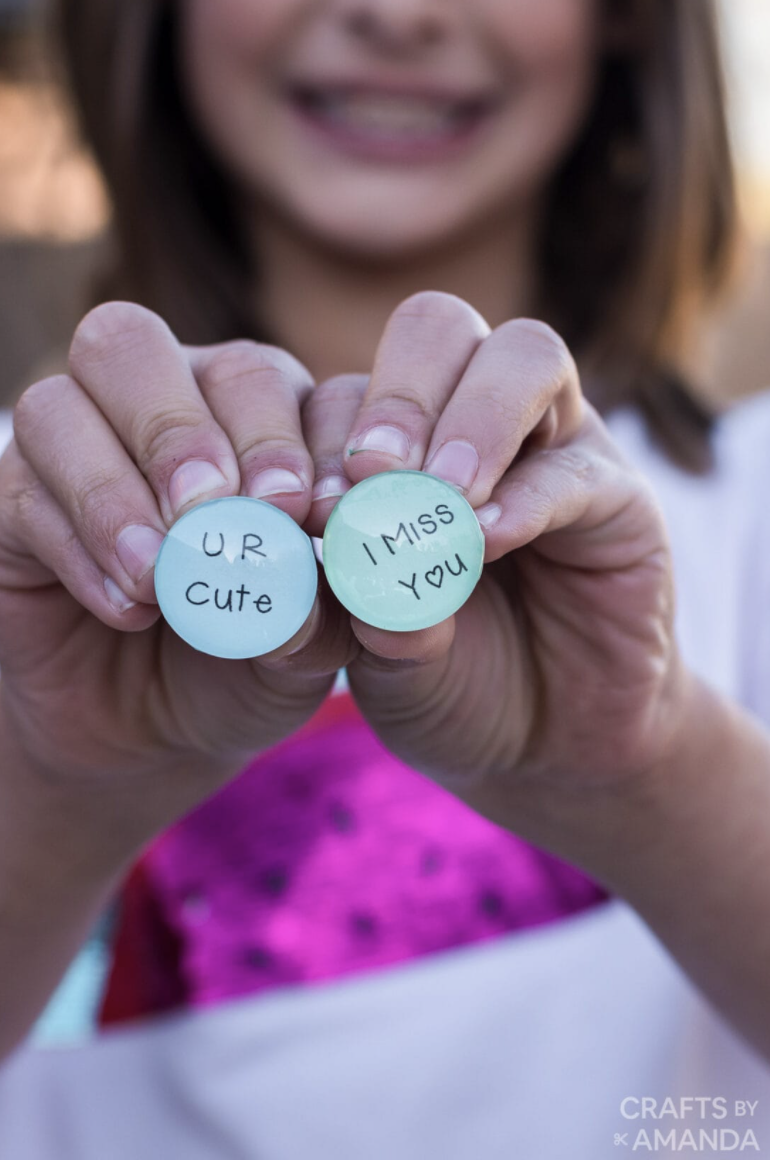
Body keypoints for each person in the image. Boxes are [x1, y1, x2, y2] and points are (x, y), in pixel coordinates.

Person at [1, 0, 770, 1155]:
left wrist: (645, 765)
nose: (393, 15)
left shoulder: (749, 508)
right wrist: (57, 790)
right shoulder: (32, 548)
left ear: (624, 20)